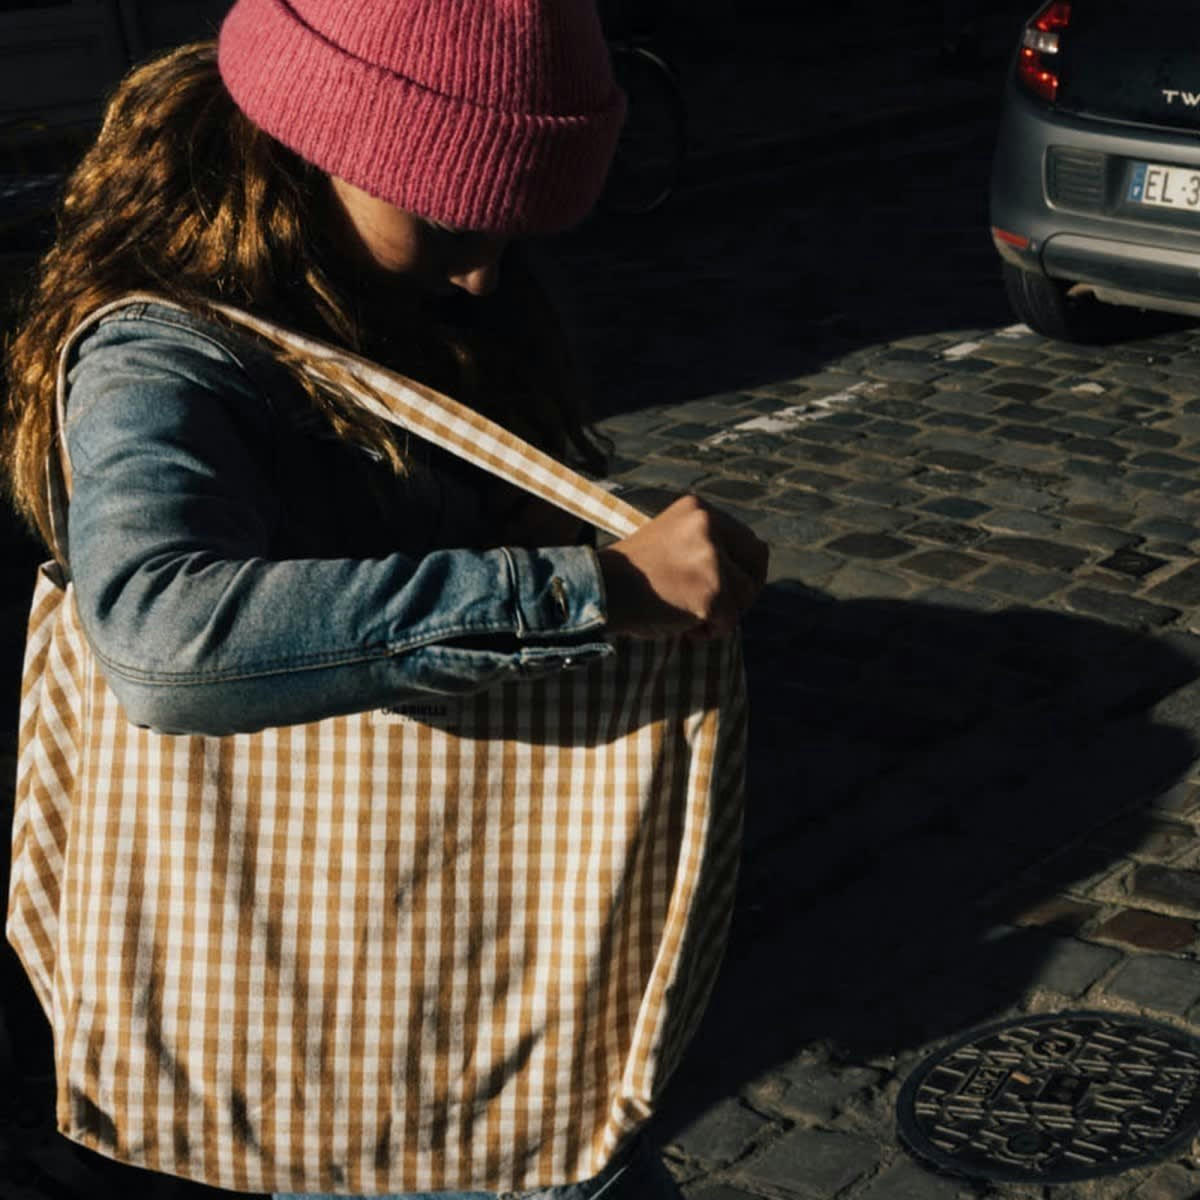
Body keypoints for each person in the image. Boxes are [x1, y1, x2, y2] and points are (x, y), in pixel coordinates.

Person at [1, 1, 768, 1197]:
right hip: (295, 998)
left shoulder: (390, 297)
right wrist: (593, 590)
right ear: (319, 143)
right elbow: (161, 641)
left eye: (512, 230)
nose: (483, 271)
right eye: (452, 218)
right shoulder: (161, 354)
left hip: (444, 949)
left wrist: (529, 531)